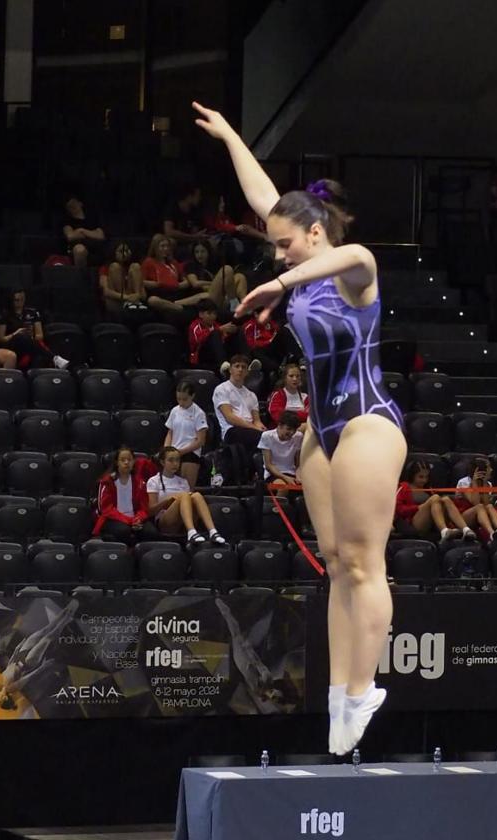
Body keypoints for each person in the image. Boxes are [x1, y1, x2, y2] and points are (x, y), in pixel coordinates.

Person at [196, 100, 407, 755]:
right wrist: (232, 134)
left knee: (365, 562)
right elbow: (266, 197)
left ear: (315, 236)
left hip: (368, 422)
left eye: (285, 243)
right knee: (337, 563)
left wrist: (280, 280)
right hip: (324, 430)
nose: (276, 252)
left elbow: (355, 256)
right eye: (274, 245)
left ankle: (359, 688)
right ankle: (341, 697)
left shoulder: (350, 272)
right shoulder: (302, 260)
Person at [0, 599, 80, 712]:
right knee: (48, 637)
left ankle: (66, 611)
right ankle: (68, 616)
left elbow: (10, 665)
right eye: (0, 700)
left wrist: (16, 649)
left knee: (45, 630)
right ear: (5, 698)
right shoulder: (12, 689)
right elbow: (27, 678)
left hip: (20, 655)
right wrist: (43, 666)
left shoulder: (2, 680)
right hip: (27, 663)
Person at [146, 447, 230, 547]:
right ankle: (191, 531)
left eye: (177, 460)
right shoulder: (154, 481)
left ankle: (212, 531)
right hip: (165, 521)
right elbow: (150, 511)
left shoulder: (183, 482)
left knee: (197, 495)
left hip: (183, 520)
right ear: (162, 462)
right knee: (185, 495)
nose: (175, 464)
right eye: (171, 460)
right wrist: (168, 500)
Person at [394, 461, 476, 542]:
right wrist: (418, 507)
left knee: (446, 499)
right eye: (421, 477)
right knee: (435, 497)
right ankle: (444, 531)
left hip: (432, 522)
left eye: (426, 477)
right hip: (414, 522)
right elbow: (397, 509)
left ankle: (466, 530)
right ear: (412, 476)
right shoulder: (404, 487)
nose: (424, 480)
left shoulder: (428, 489)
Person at [92, 446, 158, 544]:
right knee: (124, 531)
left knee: (151, 532)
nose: (126, 463)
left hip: (134, 518)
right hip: (113, 518)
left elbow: (143, 507)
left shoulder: (140, 482)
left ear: (133, 462)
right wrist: (129, 521)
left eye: (129, 460)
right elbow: (106, 509)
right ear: (116, 462)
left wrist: (138, 518)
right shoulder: (107, 481)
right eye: (123, 460)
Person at [0, 288, 69, 370]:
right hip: (13, 345)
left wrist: (32, 336)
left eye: (22, 299)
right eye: (17, 300)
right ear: (11, 300)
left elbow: (40, 335)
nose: (20, 302)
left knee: (35, 352)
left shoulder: (32, 313)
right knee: (21, 337)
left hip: (31, 343)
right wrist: (16, 333)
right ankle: (54, 358)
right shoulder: (5, 315)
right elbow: (1, 339)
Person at [141, 234, 213, 314]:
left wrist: (177, 285)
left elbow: (186, 282)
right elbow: (141, 282)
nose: (166, 249)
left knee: (207, 295)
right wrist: (159, 284)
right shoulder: (148, 262)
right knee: (152, 300)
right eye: (162, 246)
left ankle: (175, 305)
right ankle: (179, 308)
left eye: (167, 246)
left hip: (177, 296)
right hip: (160, 295)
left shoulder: (173, 262)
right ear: (155, 247)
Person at [212, 353, 264, 456]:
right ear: (230, 370)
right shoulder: (221, 389)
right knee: (261, 438)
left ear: (247, 372)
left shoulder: (252, 395)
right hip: (232, 430)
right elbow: (230, 417)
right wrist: (254, 428)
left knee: (273, 438)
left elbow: (257, 420)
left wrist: (265, 431)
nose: (240, 370)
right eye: (237, 366)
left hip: (250, 429)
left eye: (243, 367)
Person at [163, 380, 209, 487]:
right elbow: (170, 432)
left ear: (192, 396)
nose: (181, 402)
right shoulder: (174, 411)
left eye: (184, 399)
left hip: (190, 454)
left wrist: (181, 452)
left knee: (185, 490)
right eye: (178, 399)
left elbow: (201, 441)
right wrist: (167, 450)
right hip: (174, 452)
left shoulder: (199, 413)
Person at [183, 240, 247, 318]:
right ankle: (234, 304)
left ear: (208, 252)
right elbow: (195, 283)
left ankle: (246, 304)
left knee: (240, 276)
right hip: (207, 298)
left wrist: (219, 282)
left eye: (203, 251)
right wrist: (213, 282)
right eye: (197, 252)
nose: (199, 255)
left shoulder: (213, 264)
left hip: (222, 296)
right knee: (227, 269)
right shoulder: (191, 265)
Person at [454, 457, 497, 540]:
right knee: (479, 506)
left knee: (489, 506)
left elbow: (486, 503)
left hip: (482, 515)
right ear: (481, 471)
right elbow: (475, 502)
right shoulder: (464, 482)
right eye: (489, 468)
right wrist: (474, 482)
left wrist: (485, 483)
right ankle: (491, 533)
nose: (492, 470)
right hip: (464, 516)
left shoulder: (488, 484)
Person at [188, 299, 246, 374]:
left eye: (214, 314)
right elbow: (199, 340)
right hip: (201, 355)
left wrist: (229, 332)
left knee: (238, 331)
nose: (213, 316)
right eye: (209, 313)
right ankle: (223, 363)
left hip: (215, 353)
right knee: (215, 333)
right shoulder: (195, 326)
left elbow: (221, 340)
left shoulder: (215, 325)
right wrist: (220, 330)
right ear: (201, 314)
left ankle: (245, 361)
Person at [99, 241, 148, 320]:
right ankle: (127, 303)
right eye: (121, 251)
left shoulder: (134, 268)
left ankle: (131, 303)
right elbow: (106, 291)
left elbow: (144, 295)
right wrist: (126, 297)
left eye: (127, 250)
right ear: (114, 252)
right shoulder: (105, 268)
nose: (125, 254)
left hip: (134, 302)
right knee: (115, 267)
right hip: (116, 299)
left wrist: (137, 295)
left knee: (135, 266)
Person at [259, 413, 303, 490]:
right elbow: (268, 465)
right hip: (274, 474)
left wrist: (299, 476)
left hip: (292, 473)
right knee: (283, 487)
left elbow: (298, 464)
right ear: (279, 426)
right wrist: (285, 478)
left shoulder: (298, 436)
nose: (292, 432)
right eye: (289, 429)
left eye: (294, 430)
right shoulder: (267, 436)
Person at [60, 194, 106, 267]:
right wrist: (91, 234)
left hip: (95, 249)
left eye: (74, 203)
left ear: (80, 203)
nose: (72, 206)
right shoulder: (68, 221)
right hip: (77, 250)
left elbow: (100, 235)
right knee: (79, 249)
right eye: (69, 206)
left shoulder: (92, 219)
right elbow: (70, 236)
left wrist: (82, 231)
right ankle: (81, 276)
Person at [162, 184, 206, 252]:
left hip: (189, 240)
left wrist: (197, 236)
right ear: (189, 197)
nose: (200, 198)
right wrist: (192, 237)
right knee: (171, 242)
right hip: (175, 240)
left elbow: (195, 232)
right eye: (197, 195)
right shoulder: (172, 207)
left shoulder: (196, 211)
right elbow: (169, 231)